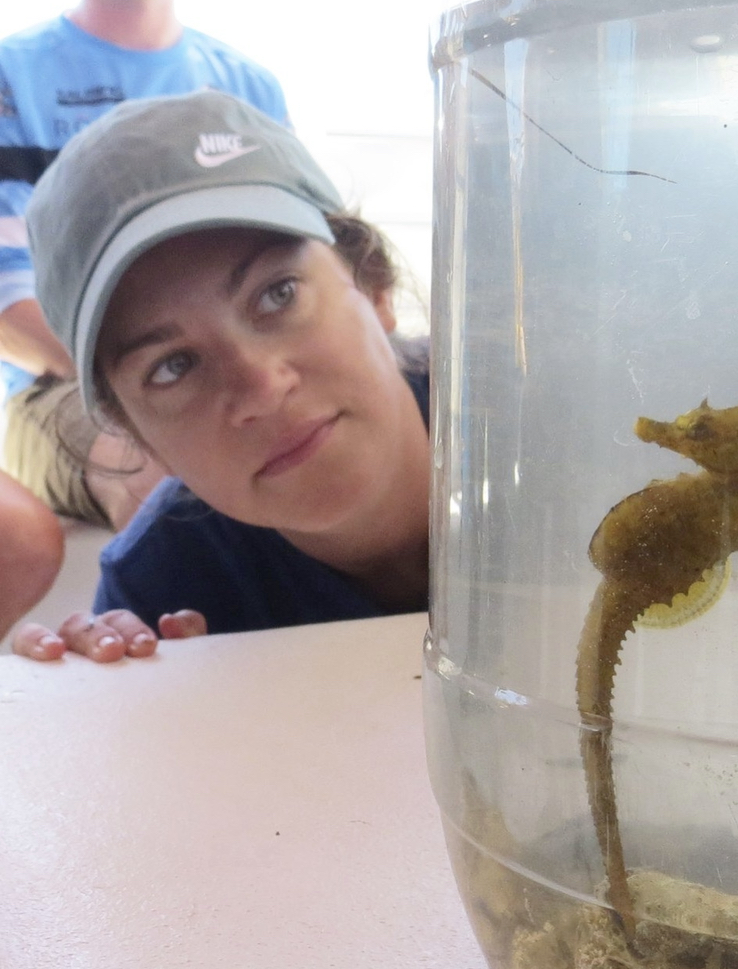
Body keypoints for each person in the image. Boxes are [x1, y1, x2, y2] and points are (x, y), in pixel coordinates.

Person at [11, 91, 430, 661]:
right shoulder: (160, 588)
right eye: (172, 367)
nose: (261, 388)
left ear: (373, 285)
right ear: (136, 435)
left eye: (277, 294)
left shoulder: (563, 447)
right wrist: (120, 698)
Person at [0, 0, 289, 546]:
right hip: (60, 387)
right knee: (165, 473)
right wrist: (161, 381)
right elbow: (8, 307)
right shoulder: (10, 78)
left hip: (243, 363)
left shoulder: (250, 87)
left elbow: (318, 264)